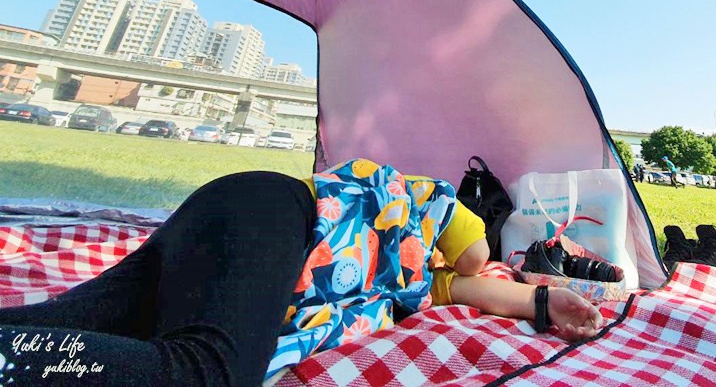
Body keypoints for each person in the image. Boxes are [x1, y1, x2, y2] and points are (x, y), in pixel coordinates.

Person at [0, 166, 602, 386]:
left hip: (224, 220)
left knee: (71, 325)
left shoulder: (407, 283)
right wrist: (485, 256)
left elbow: (467, 289)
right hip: (282, 217)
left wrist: (543, 303)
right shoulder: (432, 207)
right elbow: (472, 261)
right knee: (205, 369)